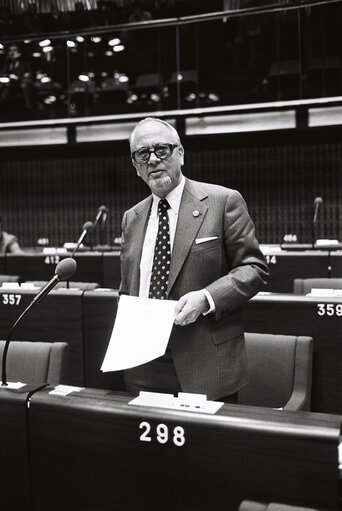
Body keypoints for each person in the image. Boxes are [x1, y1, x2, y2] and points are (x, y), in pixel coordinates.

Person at [120, 117, 269, 402]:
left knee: (212, 447)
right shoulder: (132, 218)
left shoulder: (223, 201)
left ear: (180, 154)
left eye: (161, 149)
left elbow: (254, 268)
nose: (153, 159)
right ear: (135, 166)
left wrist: (206, 297)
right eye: (142, 154)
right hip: (144, 367)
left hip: (206, 364)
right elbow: (127, 287)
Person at [0, 43, 35, 110]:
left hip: (20, 83)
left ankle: (29, 107)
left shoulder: (26, 65)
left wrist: (17, 78)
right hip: (9, 84)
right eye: (10, 50)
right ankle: (3, 105)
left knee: (25, 84)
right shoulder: (6, 65)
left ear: (19, 53)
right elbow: (3, 75)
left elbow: (29, 78)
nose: (12, 52)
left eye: (14, 50)